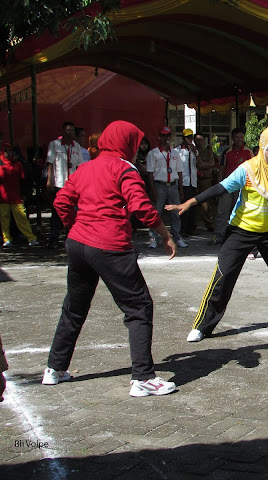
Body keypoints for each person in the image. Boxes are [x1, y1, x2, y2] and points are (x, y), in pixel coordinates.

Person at [41, 120, 177, 397]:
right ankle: (143, 378)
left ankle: (54, 369)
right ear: (126, 143)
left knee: (74, 307)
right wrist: (165, 234)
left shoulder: (84, 167)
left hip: (78, 244)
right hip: (111, 245)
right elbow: (141, 206)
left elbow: (61, 202)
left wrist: (74, 227)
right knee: (138, 307)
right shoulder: (125, 168)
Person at [166, 125, 268, 342]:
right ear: (261, 148)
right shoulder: (248, 169)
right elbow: (221, 188)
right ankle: (203, 326)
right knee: (223, 275)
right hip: (241, 231)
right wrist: (191, 202)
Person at [146, 126, 188, 249]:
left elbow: (179, 171)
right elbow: (150, 173)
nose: (166, 138)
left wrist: (181, 189)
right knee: (156, 213)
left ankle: (177, 237)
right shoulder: (153, 153)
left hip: (173, 186)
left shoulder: (175, 153)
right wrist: (153, 190)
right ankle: (153, 237)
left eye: (168, 136)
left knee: (176, 213)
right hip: (160, 185)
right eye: (163, 135)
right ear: (159, 137)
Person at [46, 121, 83, 249]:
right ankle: (54, 238)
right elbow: (50, 163)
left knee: (72, 211)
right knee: (56, 211)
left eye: (72, 130)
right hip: (59, 182)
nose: (70, 133)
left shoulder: (76, 146)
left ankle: (70, 237)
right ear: (63, 131)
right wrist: (49, 180)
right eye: (67, 130)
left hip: (72, 184)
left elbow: (79, 165)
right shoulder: (55, 145)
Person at [212, 127, 253, 245]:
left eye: (241, 137)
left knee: (240, 211)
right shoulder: (227, 152)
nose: (239, 140)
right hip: (227, 186)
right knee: (222, 211)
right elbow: (221, 169)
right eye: (236, 137)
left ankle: (238, 236)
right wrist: (219, 186)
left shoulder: (248, 152)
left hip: (242, 187)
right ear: (232, 139)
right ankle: (218, 235)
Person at [0, 144, 39, 247]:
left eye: (10, 151)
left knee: (22, 218)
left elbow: (23, 181)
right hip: (3, 198)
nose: (8, 153)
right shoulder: (0, 165)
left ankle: (31, 238)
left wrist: (24, 194)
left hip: (16, 197)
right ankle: (7, 239)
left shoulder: (17, 164)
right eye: (6, 151)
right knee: (4, 220)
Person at [176, 128, 199, 236]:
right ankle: (182, 228)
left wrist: (195, 151)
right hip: (183, 182)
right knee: (184, 206)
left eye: (191, 137)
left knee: (193, 207)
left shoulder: (194, 150)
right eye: (188, 137)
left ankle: (191, 228)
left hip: (193, 181)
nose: (190, 139)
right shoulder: (177, 151)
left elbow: (198, 164)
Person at [195, 133, 219, 234]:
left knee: (206, 204)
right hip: (194, 180)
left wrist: (201, 164)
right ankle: (192, 225)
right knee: (194, 204)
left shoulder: (208, 152)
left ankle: (209, 223)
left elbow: (211, 163)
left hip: (206, 180)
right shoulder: (192, 151)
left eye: (201, 140)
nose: (199, 142)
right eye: (197, 140)